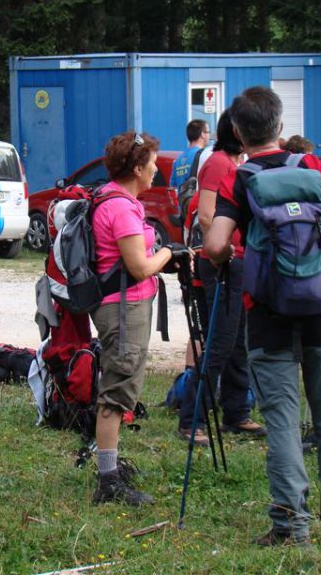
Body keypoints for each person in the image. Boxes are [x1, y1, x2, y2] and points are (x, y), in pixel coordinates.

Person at [205, 87, 321, 546]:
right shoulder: (314, 168)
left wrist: (230, 259)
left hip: (269, 314)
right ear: (279, 125)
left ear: (237, 131)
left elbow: (216, 245)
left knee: (280, 419)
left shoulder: (241, 178)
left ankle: (290, 526)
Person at [89, 131, 189, 506]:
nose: (155, 172)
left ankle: (109, 468)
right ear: (136, 167)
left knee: (121, 384)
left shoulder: (111, 196)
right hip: (123, 306)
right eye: (151, 164)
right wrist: (169, 253)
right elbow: (140, 265)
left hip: (121, 303)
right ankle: (107, 480)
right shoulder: (121, 207)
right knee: (117, 390)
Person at [177, 109, 264, 446]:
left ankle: (236, 411)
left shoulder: (233, 163)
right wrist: (223, 252)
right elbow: (206, 215)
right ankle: (191, 419)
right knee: (220, 342)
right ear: (238, 132)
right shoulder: (218, 163)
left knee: (238, 342)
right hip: (224, 262)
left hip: (239, 261)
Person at [169, 119, 211, 189]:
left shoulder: (178, 159)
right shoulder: (205, 155)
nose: (209, 136)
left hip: (182, 199)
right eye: (208, 132)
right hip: (198, 198)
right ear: (202, 134)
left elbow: (173, 185)